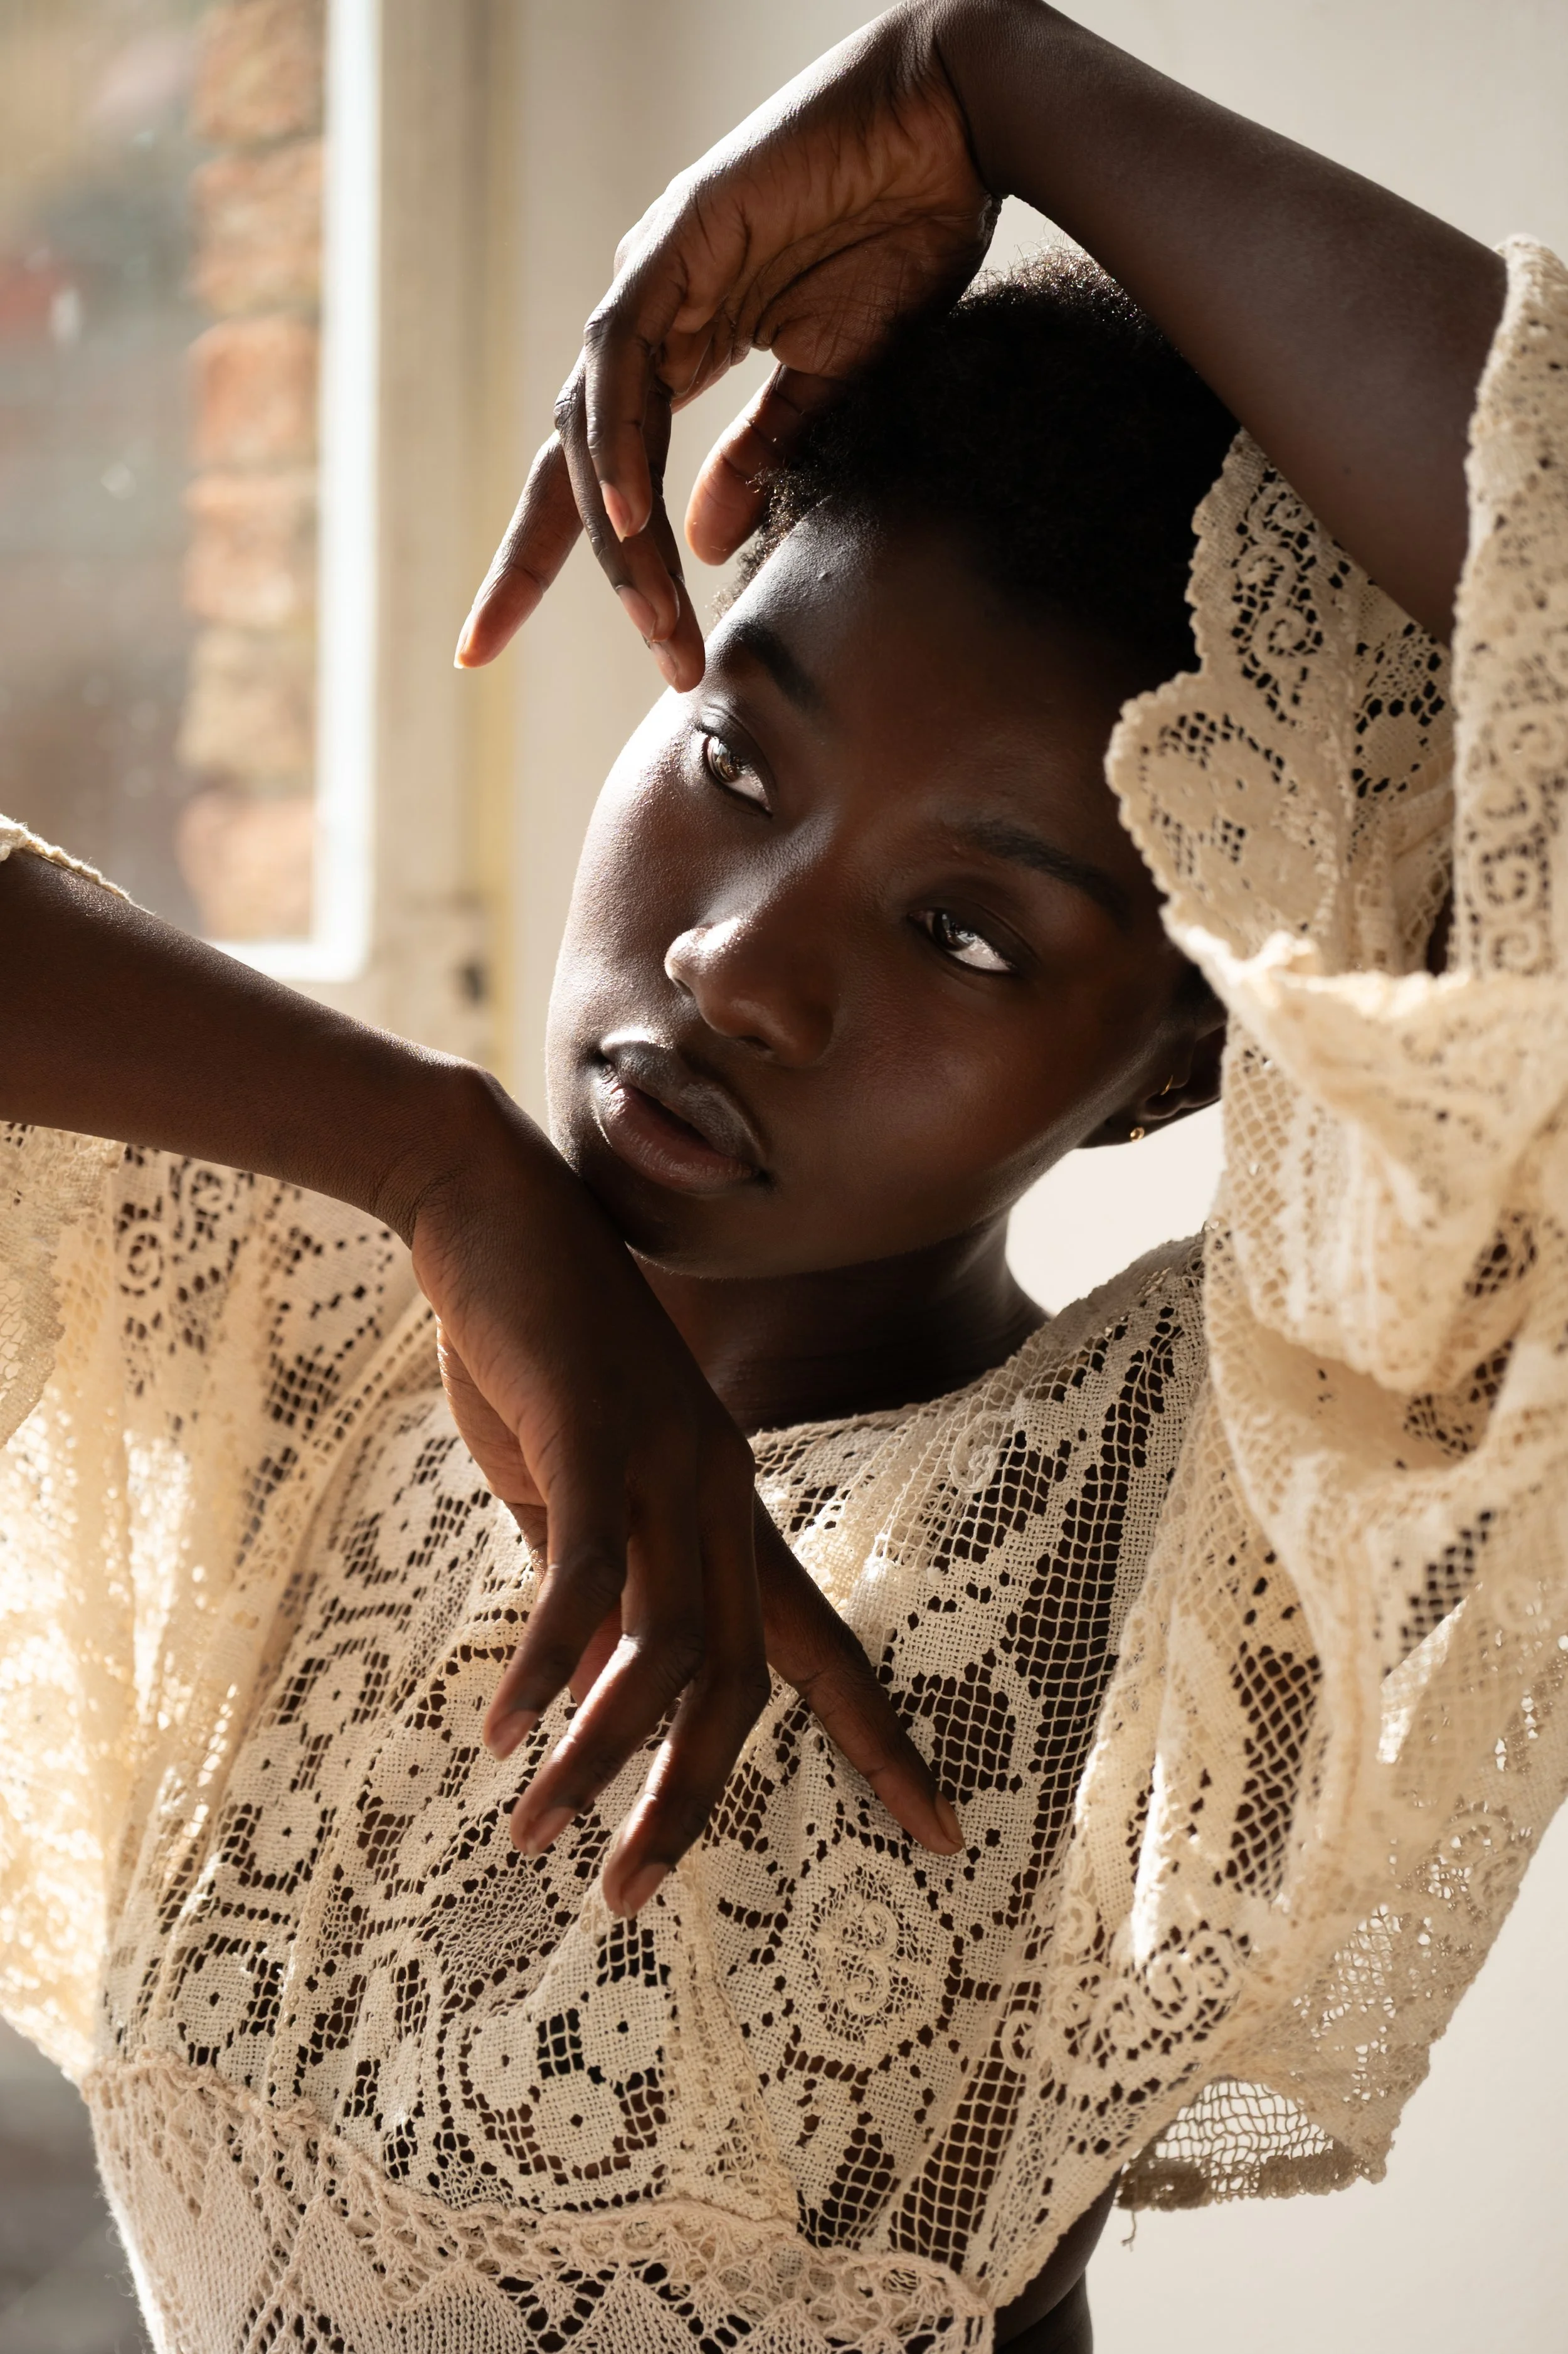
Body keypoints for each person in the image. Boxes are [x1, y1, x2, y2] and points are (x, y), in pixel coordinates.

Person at [1, 4, 1564, 2350]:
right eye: (737, 759)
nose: (736, 966)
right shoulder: (298, 1353)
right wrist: (434, 1157)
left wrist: (991, 73)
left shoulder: (1188, 1533)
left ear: (1164, 1079)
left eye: (965, 931)